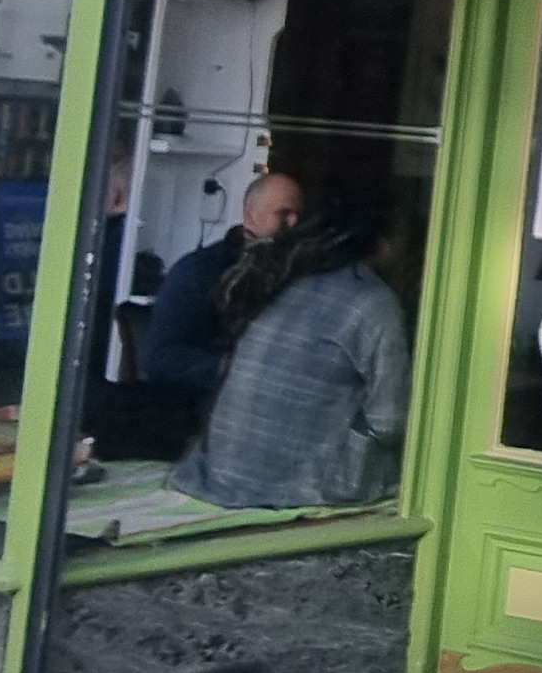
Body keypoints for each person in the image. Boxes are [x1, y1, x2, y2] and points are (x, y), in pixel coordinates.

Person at [175, 194, 411, 510]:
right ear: (384, 241)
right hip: (305, 485)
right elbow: (389, 421)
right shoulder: (372, 302)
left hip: (221, 470)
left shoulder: (281, 278)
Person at [143, 171, 300, 397]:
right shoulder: (198, 271)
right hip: (198, 404)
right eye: (283, 213)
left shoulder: (296, 275)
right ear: (250, 214)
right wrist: (235, 370)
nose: (293, 223)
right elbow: (160, 357)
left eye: (297, 215)